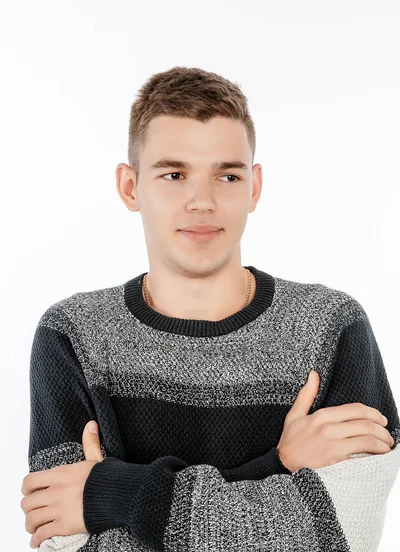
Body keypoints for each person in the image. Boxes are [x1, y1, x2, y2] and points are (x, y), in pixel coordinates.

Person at [24, 66, 400, 551]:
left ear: (254, 187)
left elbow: (349, 535)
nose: (202, 201)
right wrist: (279, 469)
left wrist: (116, 492)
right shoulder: (72, 336)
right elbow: (62, 542)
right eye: (174, 174)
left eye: (226, 174)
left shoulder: (331, 326)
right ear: (130, 187)